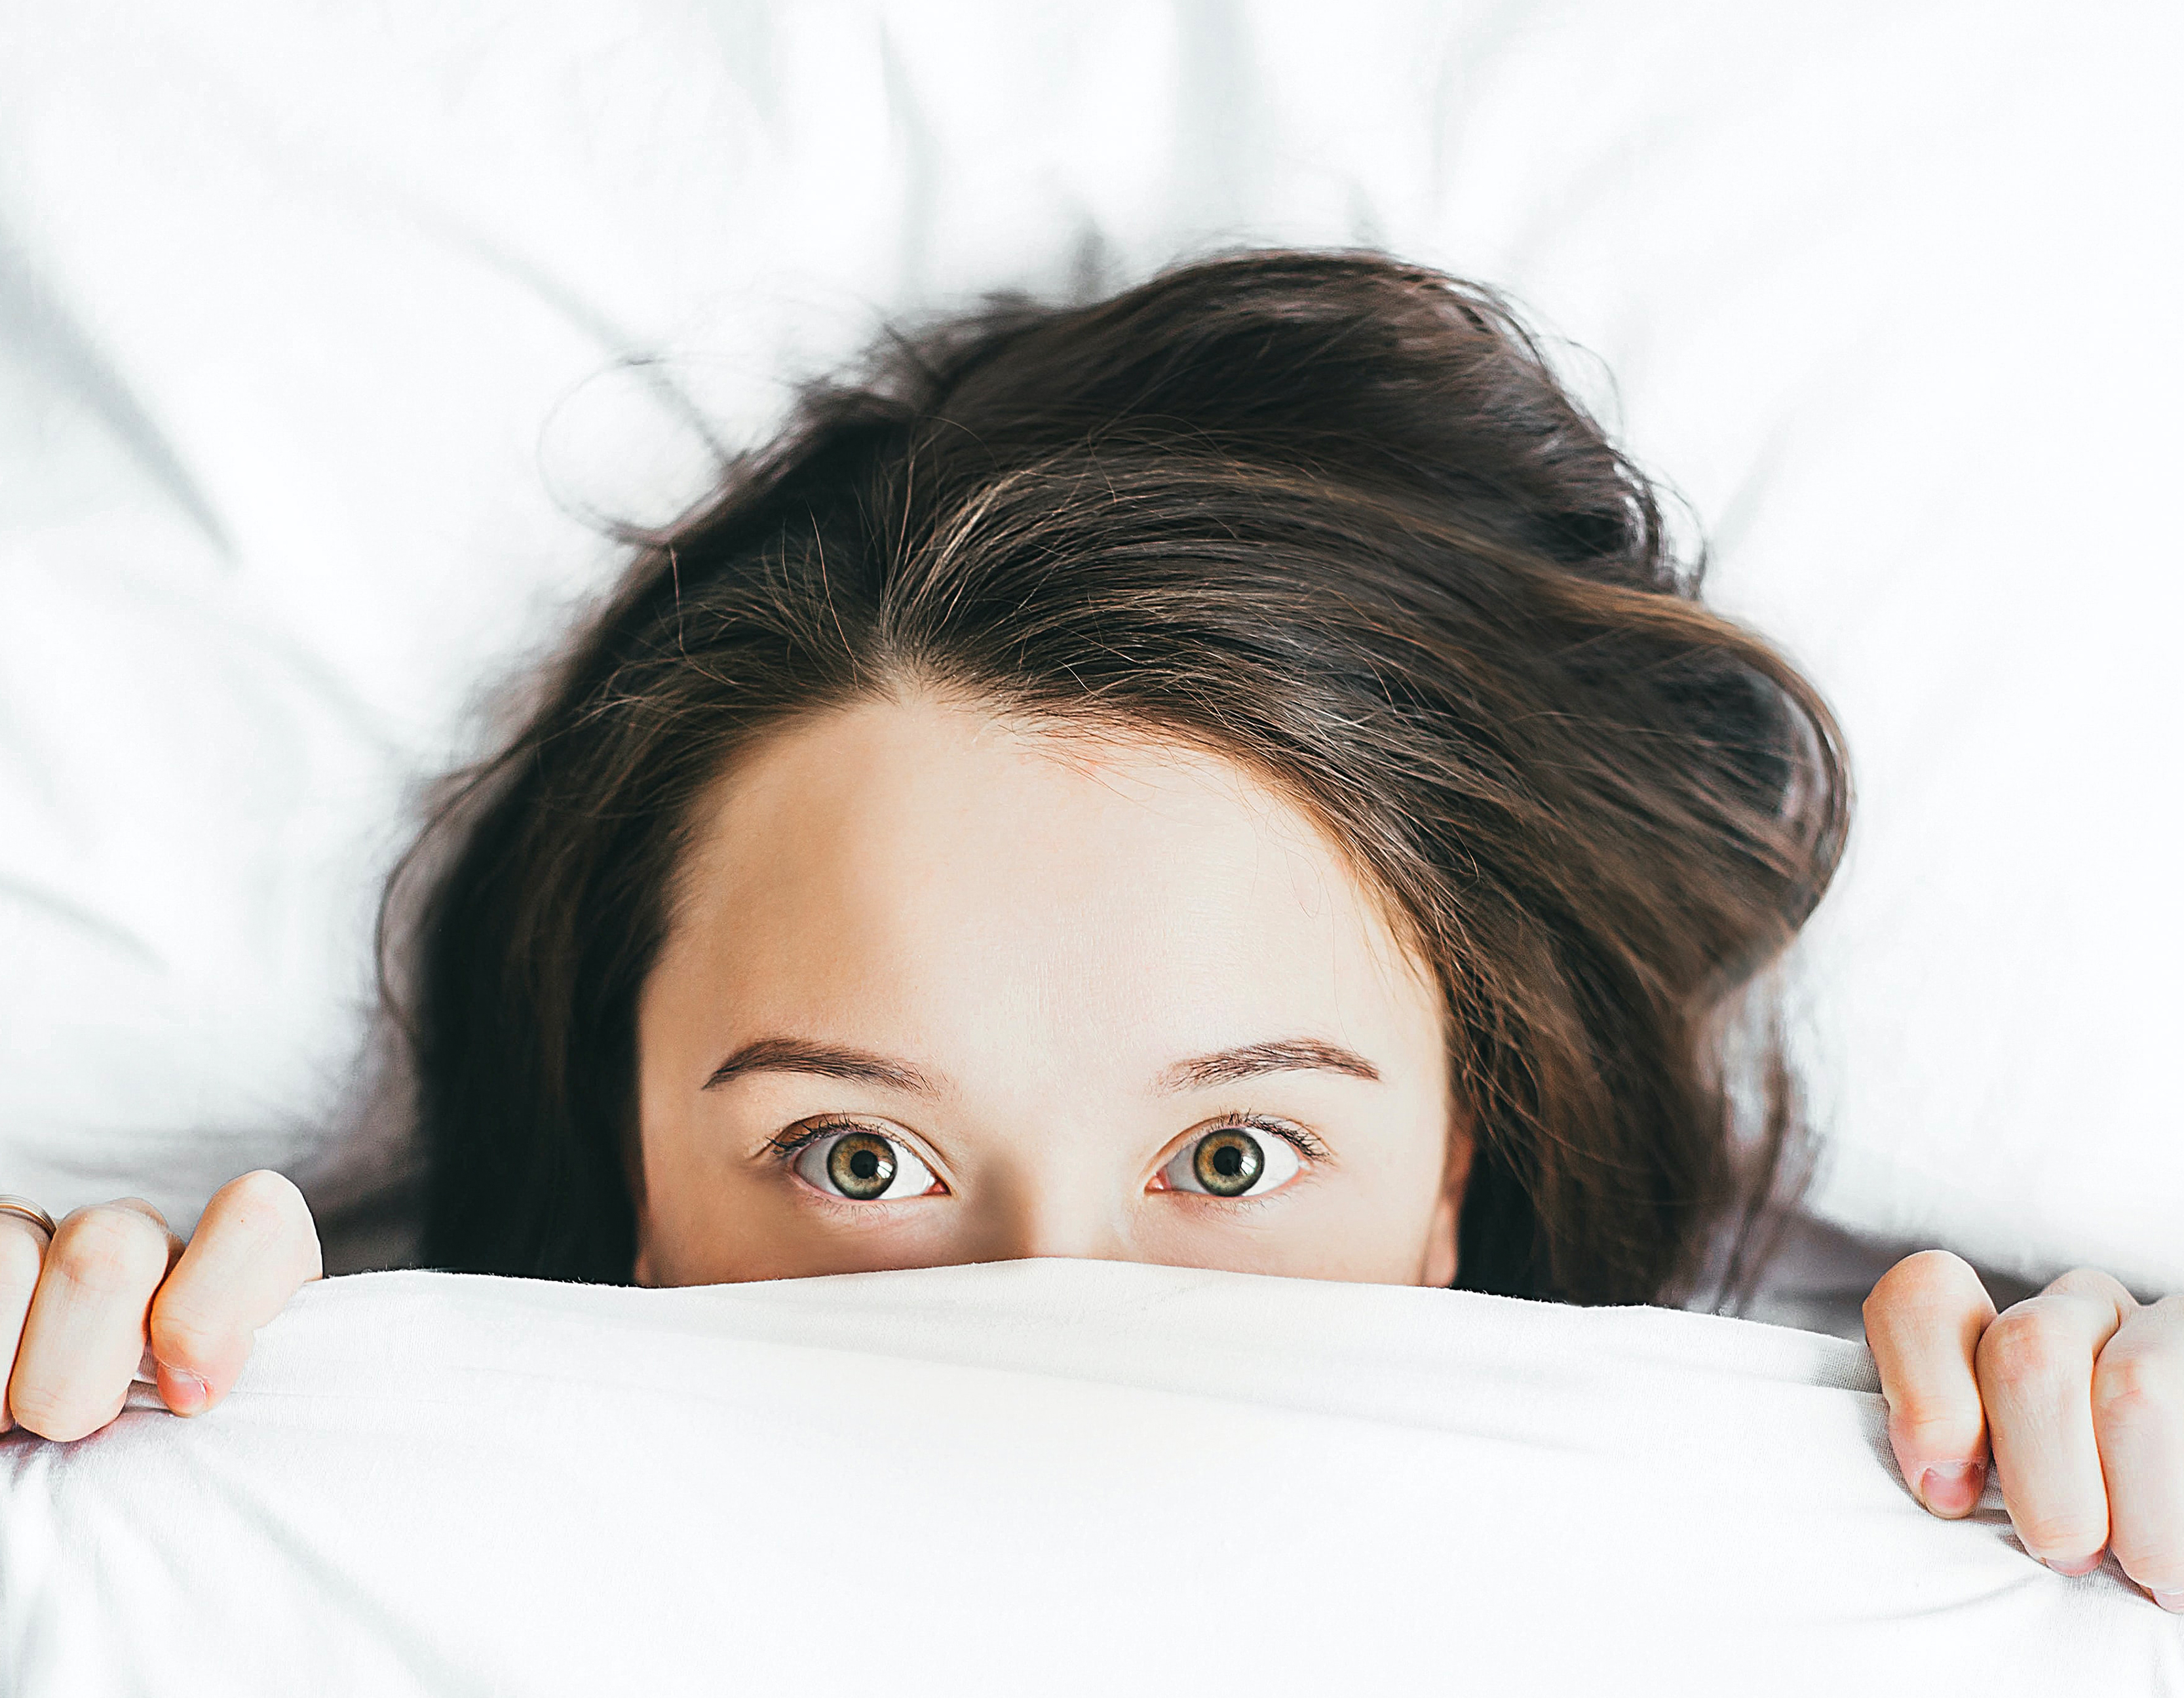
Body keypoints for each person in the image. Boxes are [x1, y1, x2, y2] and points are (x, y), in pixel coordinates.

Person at [0, 251, 2175, 1602]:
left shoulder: (1857, 1572)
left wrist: (2097, 1515)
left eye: (1231, 1159)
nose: (1049, 1335)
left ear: (1451, 1178)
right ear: (637, 1177)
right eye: (860, 1159)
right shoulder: (271, 1575)